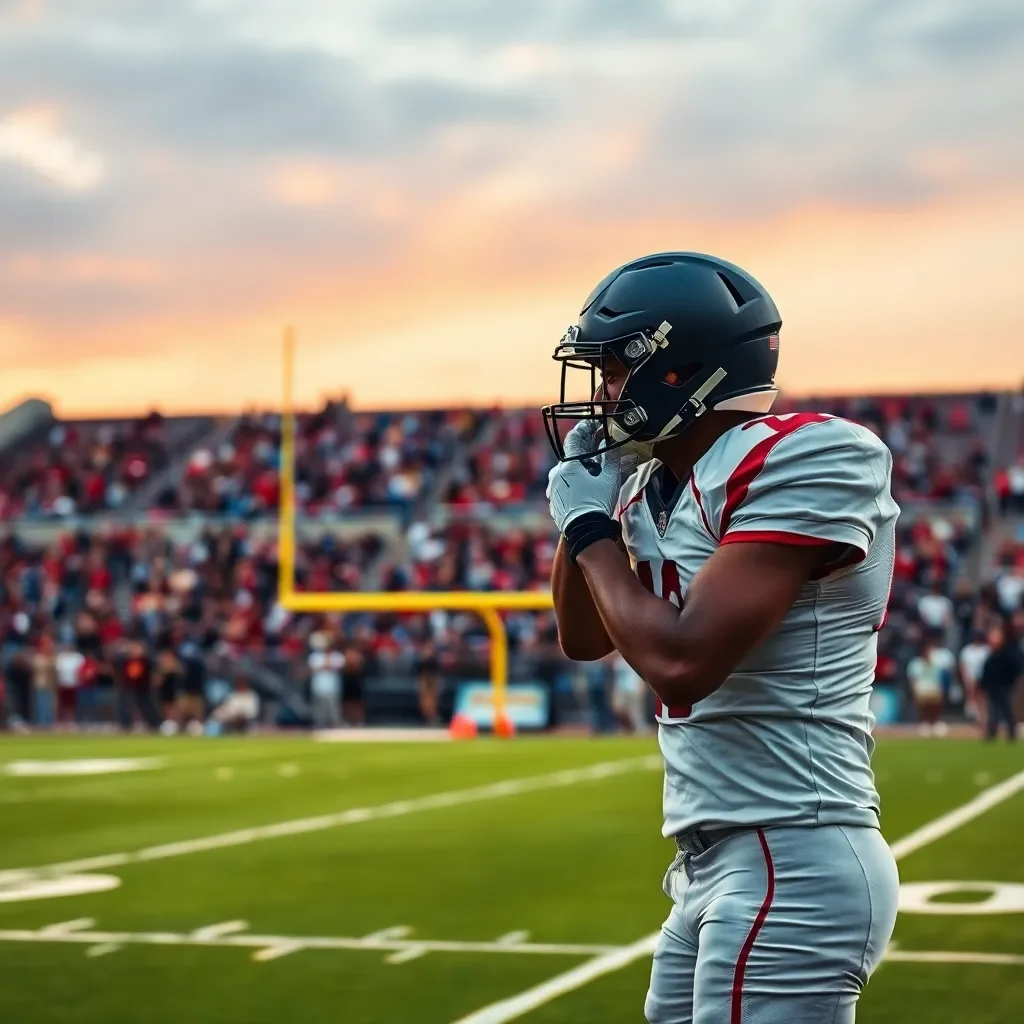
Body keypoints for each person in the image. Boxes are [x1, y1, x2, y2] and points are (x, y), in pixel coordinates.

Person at [544, 252, 899, 1023]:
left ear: (679, 372)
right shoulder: (648, 484)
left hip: (792, 848)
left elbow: (682, 662)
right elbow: (580, 636)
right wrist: (589, 520)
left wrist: (590, 527)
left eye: (613, 371)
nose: (601, 393)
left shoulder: (807, 451)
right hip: (710, 861)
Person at [979, 623, 1021, 742]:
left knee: (1006, 710)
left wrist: (1009, 682)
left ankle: (1011, 733)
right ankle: (992, 733)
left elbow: (1014, 670)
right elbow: (986, 673)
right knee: (993, 711)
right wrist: (984, 685)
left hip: (1004, 686)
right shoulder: (991, 656)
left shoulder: (1008, 654)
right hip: (992, 688)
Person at [906, 636, 948, 736]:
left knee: (936, 696)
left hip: (933, 688)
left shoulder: (936, 663)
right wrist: (914, 691)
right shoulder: (915, 664)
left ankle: (935, 722)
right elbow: (913, 680)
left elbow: (939, 679)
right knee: (922, 696)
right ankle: (924, 722)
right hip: (921, 689)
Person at [308, 630, 344, 728]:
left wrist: (327, 659)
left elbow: (338, 666)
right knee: (319, 712)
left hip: (332, 688)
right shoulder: (315, 656)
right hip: (318, 687)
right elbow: (314, 667)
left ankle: (336, 728)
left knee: (334, 711)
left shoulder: (337, 655)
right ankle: (319, 729)